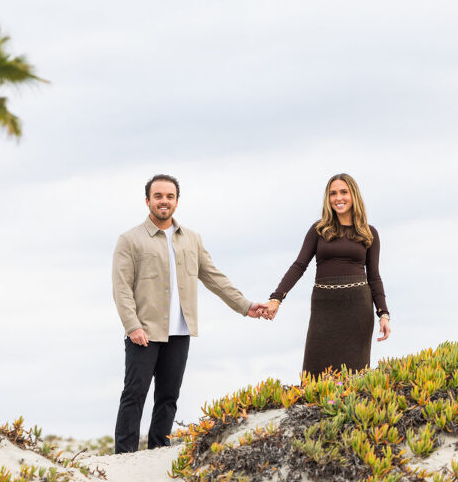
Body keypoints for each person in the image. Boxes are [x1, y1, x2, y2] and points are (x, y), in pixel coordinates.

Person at [112, 174, 268, 453]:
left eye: (170, 196)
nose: (164, 201)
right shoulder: (130, 240)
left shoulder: (191, 239)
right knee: (134, 394)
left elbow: (214, 278)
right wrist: (132, 325)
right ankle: (124, 457)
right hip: (144, 332)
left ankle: (158, 452)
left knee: (168, 396)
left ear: (176, 201)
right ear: (147, 200)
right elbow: (121, 288)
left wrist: (245, 305)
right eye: (158, 196)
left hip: (180, 331)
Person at [262, 173, 391, 377]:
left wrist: (383, 314)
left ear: (353, 195)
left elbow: (374, 277)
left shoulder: (369, 233)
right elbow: (299, 265)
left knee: (353, 376)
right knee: (314, 373)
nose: (338, 198)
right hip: (324, 308)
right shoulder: (319, 230)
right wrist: (276, 298)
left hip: (358, 310)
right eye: (333, 194)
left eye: (343, 192)